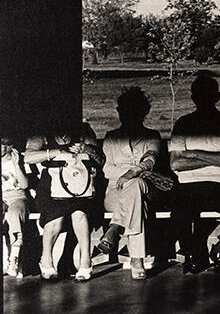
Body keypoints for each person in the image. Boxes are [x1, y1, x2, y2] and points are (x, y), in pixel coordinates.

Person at [169, 75, 220, 274]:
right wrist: (214, 158)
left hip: (219, 185)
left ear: (217, 97)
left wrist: (194, 154)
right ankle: (194, 253)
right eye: (200, 95)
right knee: (179, 213)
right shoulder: (183, 123)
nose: (204, 99)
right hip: (188, 186)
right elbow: (175, 163)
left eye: (209, 95)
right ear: (193, 98)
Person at [24, 123, 105, 281]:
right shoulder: (42, 132)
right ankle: (46, 259)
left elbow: (100, 159)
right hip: (50, 187)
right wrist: (59, 151)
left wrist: (85, 149)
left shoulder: (83, 131)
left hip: (79, 187)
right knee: (55, 215)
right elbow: (28, 157)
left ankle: (85, 261)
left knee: (79, 213)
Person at [99, 87, 163, 280]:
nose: (127, 115)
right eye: (124, 110)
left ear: (143, 112)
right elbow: (107, 170)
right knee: (136, 199)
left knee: (136, 186)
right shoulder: (111, 137)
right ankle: (136, 259)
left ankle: (114, 228)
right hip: (114, 193)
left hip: (146, 190)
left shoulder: (152, 136)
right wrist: (132, 173)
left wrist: (133, 172)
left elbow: (151, 158)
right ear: (119, 112)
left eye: (133, 110)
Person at [2, 137, 30, 278]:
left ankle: (14, 256)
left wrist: (17, 165)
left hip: (17, 195)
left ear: (9, 146)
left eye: (4, 145)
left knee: (14, 214)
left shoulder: (17, 159)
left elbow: (25, 185)